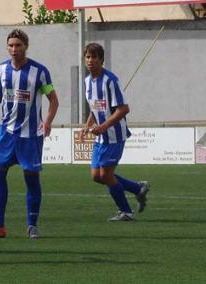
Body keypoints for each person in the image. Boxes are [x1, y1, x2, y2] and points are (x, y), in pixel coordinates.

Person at [0, 29, 59, 239]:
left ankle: (32, 225)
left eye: (18, 45)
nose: (14, 49)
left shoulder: (40, 71)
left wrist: (47, 122)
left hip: (30, 135)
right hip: (6, 132)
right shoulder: (1, 69)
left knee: (31, 177)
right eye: (11, 45)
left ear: (26, 46)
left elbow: (53, 99)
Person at [79, 43, 150, 221]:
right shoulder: (87, 81)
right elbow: (95, 108)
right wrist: (88, 125)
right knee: (96, 176)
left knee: (106, 174)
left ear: (101, 60)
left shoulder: (110, 80)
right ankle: (137, 188)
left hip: (114, 135)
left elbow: (123, 109)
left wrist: (103, 126)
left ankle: (126, 211)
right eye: (87, 57)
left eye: (94, 57)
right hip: (101, 137)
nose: (90, 60)